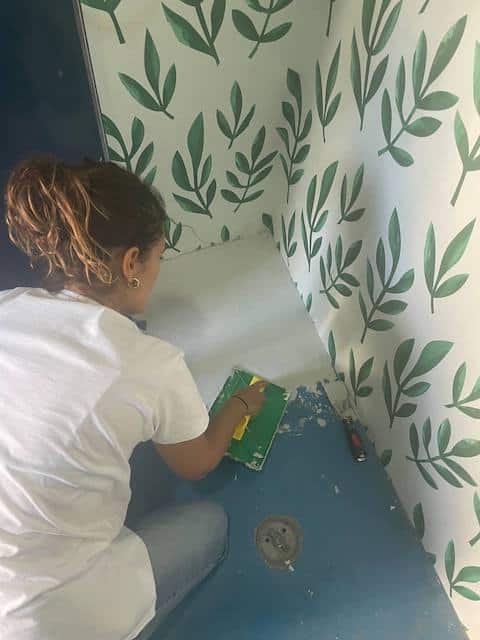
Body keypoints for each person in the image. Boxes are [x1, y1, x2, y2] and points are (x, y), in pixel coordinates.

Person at [0, 157, 266, 640]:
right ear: (131, 264)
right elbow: (197, 462)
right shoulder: (151, 364)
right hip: (43, 620)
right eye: (159, 256)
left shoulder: (9, 306)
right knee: (211, 525)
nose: (160, 269)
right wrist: (238, 407)